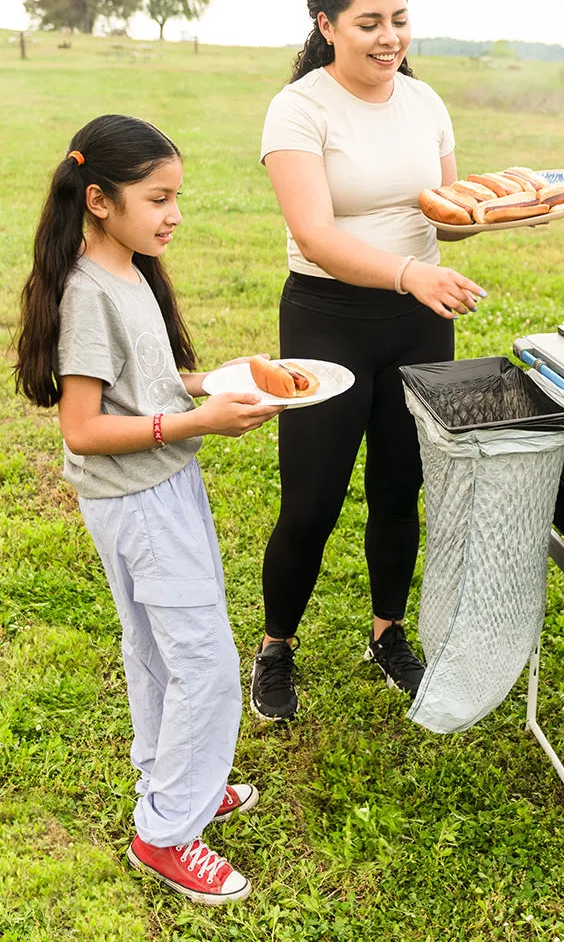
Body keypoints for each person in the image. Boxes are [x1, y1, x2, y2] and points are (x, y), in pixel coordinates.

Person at [14, 115, 283, 904]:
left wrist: (216, 382)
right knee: (205, 662)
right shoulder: (88, 292)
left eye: (177, 198)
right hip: (137, 500)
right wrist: (198, 421)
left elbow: (149, 388)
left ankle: (180, 782)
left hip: (162, 488)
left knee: (164, 649)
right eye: (158, 198)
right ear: (98, 199)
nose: (174, 214)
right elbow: (84, 428)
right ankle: (166, 831)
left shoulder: (129, 270)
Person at [251, 0, 486, 720]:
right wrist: (408, 273)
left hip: (419, 323)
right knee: (312, 498)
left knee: (399, 487)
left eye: (401, 19)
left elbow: (445, 220)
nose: (390, 38)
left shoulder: (425, 104)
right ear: (327, 25)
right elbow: (314, 234)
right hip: (328, 317)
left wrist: (491, 212)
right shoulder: (301, 108)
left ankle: (388, 634)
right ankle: (276, 648)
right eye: (369, 23)